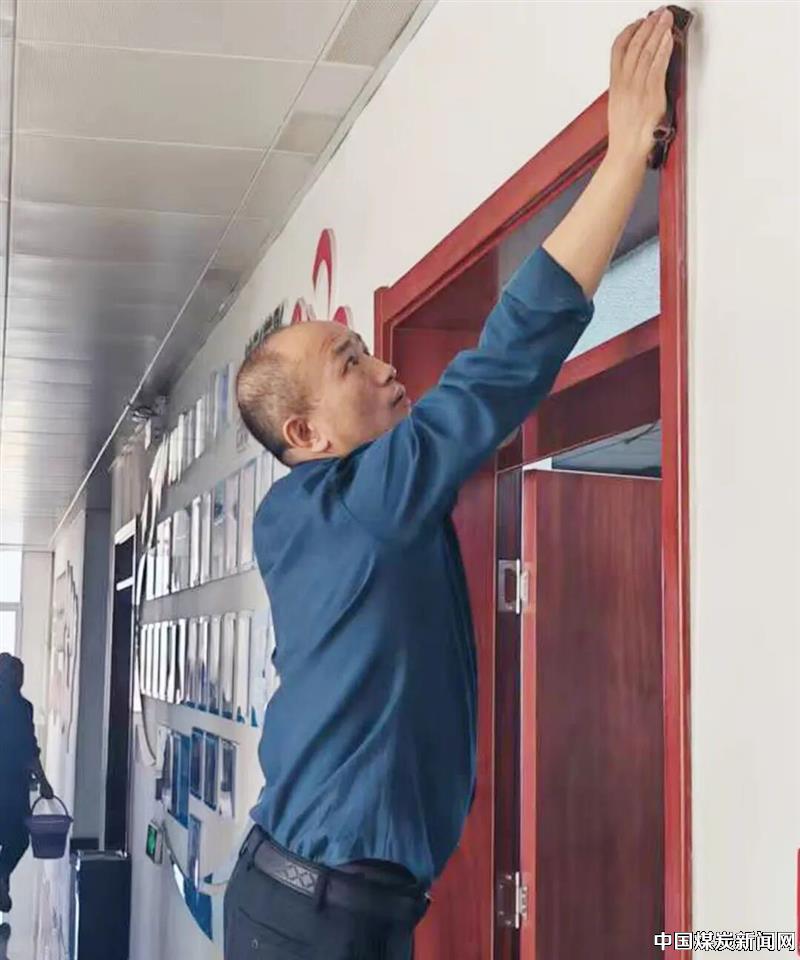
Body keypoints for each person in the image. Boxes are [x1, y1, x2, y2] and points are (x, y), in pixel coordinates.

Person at [227, 10, 675, 959]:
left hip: (312, 902)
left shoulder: (304, 516)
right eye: (352, 363)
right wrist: (624, 155)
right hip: (320, 919)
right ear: (305, 435)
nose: (386, 367)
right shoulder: (360, 505)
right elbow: (501, 367)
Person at [0, 654, 54, 914]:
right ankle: (1, 878)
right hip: (12, 785)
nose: (20, 680)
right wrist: (44, 782)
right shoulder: (22, 708)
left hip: (12, 783)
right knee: (19, 838)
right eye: (17, 674)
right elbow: (29, 751)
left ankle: (1, 882)